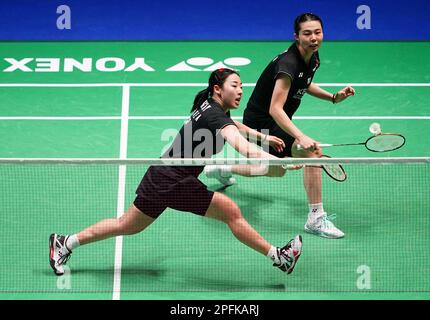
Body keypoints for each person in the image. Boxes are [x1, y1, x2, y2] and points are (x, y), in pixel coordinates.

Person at [49, 68, 302, 277]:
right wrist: (282, 162)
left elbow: (234, 125)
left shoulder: (208, 106)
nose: (240, 91)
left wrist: (264, 138)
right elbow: (245, 149)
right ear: (217, 89)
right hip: (174, 181)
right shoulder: (215, 116)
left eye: (241, 86)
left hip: (161, 174)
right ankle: (279, 257)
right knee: (231, 212)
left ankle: (66, 242)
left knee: (127, 224)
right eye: (234, 85)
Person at [205, 13, 355, 239]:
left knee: (273, 171)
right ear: (296, 37)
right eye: (307, 34)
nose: (314, 38)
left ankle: (223, 168)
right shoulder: (288, 64)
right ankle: (316, 218)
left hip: (274, 120)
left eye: (317, 32)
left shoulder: (312, 58)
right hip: (262, 121)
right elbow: (276, 108)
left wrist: (333, 97)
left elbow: (304, 82)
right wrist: (301, 137)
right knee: (312, 152)